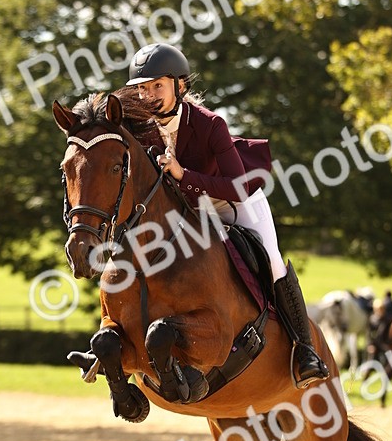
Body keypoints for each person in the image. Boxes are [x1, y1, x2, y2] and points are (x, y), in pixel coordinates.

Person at [127, 42, 328, 388]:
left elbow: (237, 186)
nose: (149, 96)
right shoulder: (141, 129)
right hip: (190, 211)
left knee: (273, 262)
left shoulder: (209, 125)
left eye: (157, 86)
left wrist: (182, 175)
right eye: (142, 89)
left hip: (235, 202)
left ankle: (305, 350)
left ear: (180, 85)